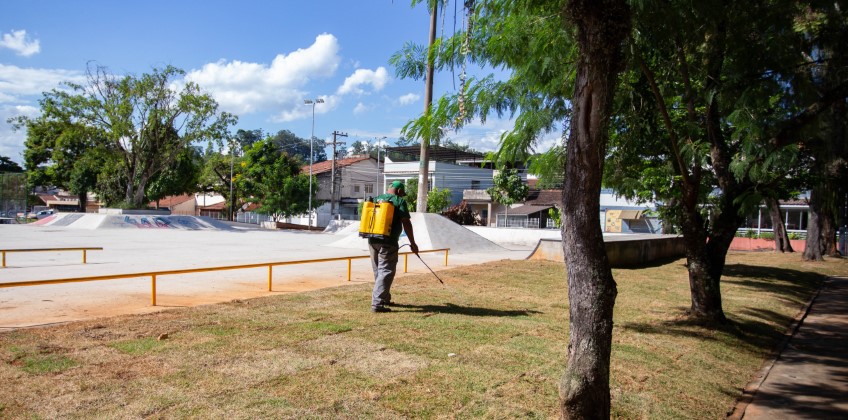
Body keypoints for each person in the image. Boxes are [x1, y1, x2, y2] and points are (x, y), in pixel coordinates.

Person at [368, 180, 418, 312]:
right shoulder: (399, 201)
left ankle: (384, 298)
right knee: (386, 271)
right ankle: (377, 304)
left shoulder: (377, 198)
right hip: (388, 242)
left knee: (379, 271)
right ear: (400, 191)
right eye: (402, 193)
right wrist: (413, 243)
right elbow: (406, 222)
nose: (402, 196)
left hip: (372, 240)